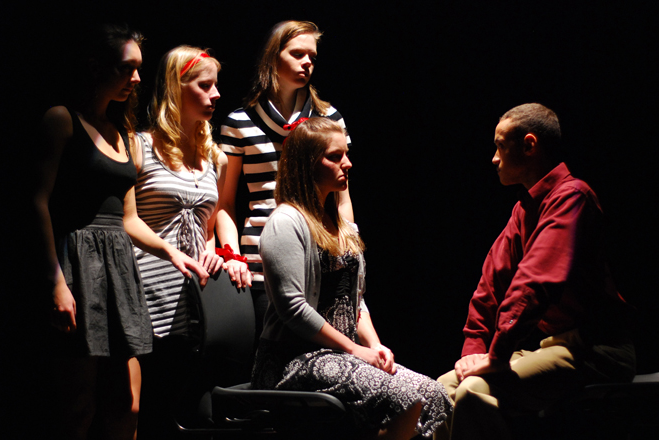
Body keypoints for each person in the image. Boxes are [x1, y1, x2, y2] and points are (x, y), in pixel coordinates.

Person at [36, 25, 209, 440]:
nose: (135, 79)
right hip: (77, 262)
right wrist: (56, 282)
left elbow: (128, 219)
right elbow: (36, 202)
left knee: (127, 403)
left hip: (119, 270)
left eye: (138, 70)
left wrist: (171, 252)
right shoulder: (62, 120)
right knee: (78, 406)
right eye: (126, 68)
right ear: (97, 68)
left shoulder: (122, 135)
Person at [435, 103, 636, 440]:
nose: (494, 159)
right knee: (442, 389)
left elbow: (535, 282)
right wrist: (474, 351)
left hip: (597, 350)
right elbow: (491, 283)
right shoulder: (524, 208)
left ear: (529, 145)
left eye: (500, 146)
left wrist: (497, 356)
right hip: (555, 345)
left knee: (473, 391)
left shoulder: (571, 197)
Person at [251, 118, 453, 439]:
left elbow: (353, 299)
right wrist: (356, 350)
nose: (347, 163)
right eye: (334, 156)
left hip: (341, 354)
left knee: (435, 395)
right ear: (306, 164)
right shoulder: (286, 222)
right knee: (405, 399)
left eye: (345, 153)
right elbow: (293, 309)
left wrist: (374, 344)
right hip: (293, 360)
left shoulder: (340, 224)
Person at [132, 45, 251, 439]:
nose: (216, 94)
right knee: (139, 404)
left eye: (217, 85)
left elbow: (216, 221)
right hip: (145, 290)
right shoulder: (140, 146)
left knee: (179, 403)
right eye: (205, 85)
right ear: (176, 87)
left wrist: (227, 253)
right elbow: (123, 219)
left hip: (191, 299)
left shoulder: (212, 157)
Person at [219, 20, 354, 336]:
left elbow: (343, 198)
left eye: (312, 57)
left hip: (320, 255)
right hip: (259, 260)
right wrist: (231, 255)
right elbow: (224, 203)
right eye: (297, 54)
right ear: (272, 58)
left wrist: (346, 251)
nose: (307, 62)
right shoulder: (240, 122)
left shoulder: (329, 119)